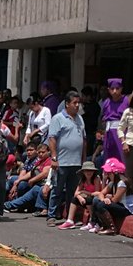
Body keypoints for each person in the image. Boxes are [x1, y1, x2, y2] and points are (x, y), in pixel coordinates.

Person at [46, 91, 87, 226]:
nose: (77, 105)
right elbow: (52, 139)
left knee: (72, 191)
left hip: (76, 162)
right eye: (74, 103)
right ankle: (51, 215)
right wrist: (54, 158)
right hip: (62, 161)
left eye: (78, 103)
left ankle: (70, 217)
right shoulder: (57, 118)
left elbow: (83, 140)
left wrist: (83, 159)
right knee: (57, 189)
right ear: (67, 104)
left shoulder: (80, 119)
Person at [90, 157, 133, 235]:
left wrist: (108, 198)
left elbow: (115, 200)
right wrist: (104, 198)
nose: (107, 175)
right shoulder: (112, 182)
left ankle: (111, 228)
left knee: (101, 205)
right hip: (118, 204)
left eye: (109, 173)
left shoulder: (122, 183)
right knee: (96, 200)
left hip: (126, 208)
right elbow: (101, 193)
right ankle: (101, 224)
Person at [57, 160, 101, 230]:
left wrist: (84, 192)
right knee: (74, 199)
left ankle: (93, 221)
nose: (89, 172)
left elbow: (97, 193)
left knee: (89, 199)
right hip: (85, 199)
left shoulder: (96, 179)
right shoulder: (82, 180)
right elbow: (76, 193)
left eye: (91, 170)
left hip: (94, 200)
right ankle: (70, 221)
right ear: (83, 172)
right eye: (86, 171)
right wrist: (80, 197)